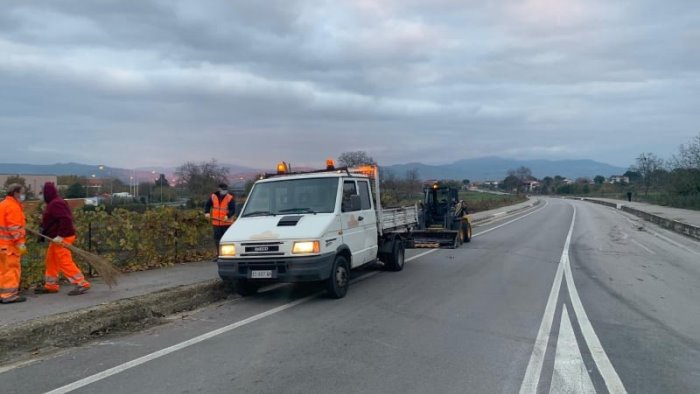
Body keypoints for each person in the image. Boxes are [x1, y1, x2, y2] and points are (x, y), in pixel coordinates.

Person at [35, 182, 90, 296]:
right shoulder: (55, 202)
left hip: (63, 237)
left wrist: (60, 236)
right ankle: (51, 285)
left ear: (47, 193)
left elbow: (66, 219)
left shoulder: (56, 204)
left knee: (64, 260)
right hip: (57, 238)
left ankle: (81, 283)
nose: (41, 196)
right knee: (51, 259)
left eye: (42, 193)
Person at [0, 184, 28, 304]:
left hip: (2, 245)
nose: (23, 195)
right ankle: (9, 295)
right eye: (22, 193)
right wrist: (21, 245)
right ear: (16, 193)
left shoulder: (3, 204)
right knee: (12, 270)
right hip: (11, 246)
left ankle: (2, 294)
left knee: (3, 271)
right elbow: (15, 229)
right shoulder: (14, 207)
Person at [204, 183, 236, 261]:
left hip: (226, 223)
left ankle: (228, 256)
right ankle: (219, 256)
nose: (225, 191)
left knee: (227, 240)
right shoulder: (213, 197)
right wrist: (207, 212)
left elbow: (233, 209)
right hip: (216, 223)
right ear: (219, 189)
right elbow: (207, 205)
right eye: (223, 190)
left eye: (226, 190)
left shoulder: (230, 198)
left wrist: (228, 216)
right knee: (217, 240)